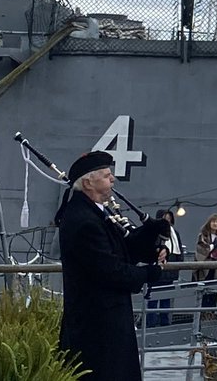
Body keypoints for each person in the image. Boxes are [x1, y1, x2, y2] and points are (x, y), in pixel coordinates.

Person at [56, 150, 168, 381]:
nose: (112, 179)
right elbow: (109, 270)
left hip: (104, 320)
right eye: (107, 175)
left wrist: (149, 235)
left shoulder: (93, 212)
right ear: (88, 182)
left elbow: (122, 250)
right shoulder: (83, 220)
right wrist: (150, 273)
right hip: (96, 325)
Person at [148, 207, 185, 327]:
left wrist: (179, 263)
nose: (167, 221)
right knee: (153, 299)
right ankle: (150, 324)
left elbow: (179, 248)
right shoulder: (154, 232)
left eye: (169, 219)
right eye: (165, 218)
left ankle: (165, 323)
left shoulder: (175, 233)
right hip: (157, 270)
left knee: (166, 300)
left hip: (170, 272)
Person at [194, 213, 217, 311]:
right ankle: (203, 312)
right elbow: (200, 249)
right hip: (206, 269)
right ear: (209, 223)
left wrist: (214, 254)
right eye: (213, 221)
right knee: (205, 291)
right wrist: (209, 251)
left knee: (215, 291)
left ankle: (211, 312)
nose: (215, 224)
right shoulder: (203, 236)